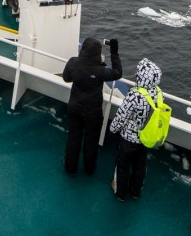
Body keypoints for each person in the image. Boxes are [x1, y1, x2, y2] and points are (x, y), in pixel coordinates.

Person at [62, 37, 122, 176]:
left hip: (74, 108)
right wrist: (114, 52)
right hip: (93, 113)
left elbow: (66, 78)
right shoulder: (101, 71)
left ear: (82, 49)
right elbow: (118, 73)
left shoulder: (73, 62)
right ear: (98, 54)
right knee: (91, 141)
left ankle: (70, 168)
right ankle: (89, 169)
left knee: (73, 138)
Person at [108, 58, 161, 201]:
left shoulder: (135, 95)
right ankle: (135, 192)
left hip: (128, 138)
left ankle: (120, 193)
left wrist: (112, 129)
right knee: (140, 166)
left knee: (123, 166)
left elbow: (121, 116)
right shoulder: (157, 93)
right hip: (145, 137)